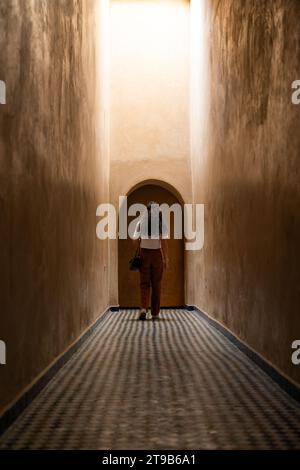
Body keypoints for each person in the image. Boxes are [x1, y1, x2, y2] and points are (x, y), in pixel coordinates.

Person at [133, 202, 169, 321]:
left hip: (144, 254)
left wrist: (141, 241)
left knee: (144, 283)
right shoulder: (160, 224)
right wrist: (165, 258)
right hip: (157, 255)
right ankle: (155, 313)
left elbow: (134, 240)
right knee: (156, 284)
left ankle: (143, 308)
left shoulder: (140, 223)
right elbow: (164, 242)